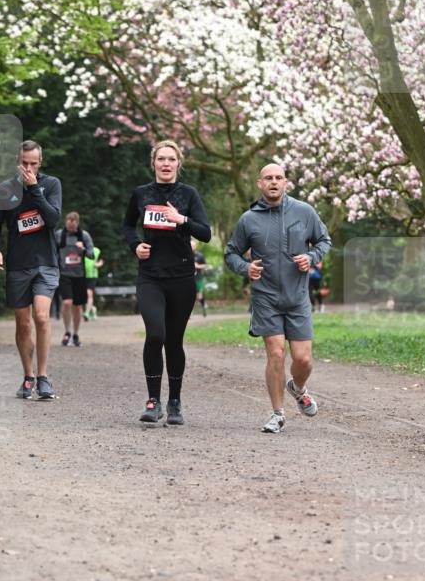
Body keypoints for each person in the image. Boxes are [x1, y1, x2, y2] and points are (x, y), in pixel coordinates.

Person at [224, 163, 331, 433]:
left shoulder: (304, 212)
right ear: (260, 184)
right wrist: (245, 268)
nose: (273, 182)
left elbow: (323, 241)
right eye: (268, 178)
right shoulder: (248, 219)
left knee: (303, 359)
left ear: (286, 183)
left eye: (279, 178)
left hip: (297, 297)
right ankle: (278, 413)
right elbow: (231, 253)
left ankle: (298, 387)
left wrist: (310, 257)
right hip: (265, 297)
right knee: (275, 353)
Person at [122, 139, 211, 425]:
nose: (166, 164)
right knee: (155, 334)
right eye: (161, 159)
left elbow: (205, 232)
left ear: (178, 163)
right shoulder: (141, 194)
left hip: (182, 276)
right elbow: (127, 225)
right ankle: (152, 401)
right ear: (154, 163)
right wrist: (135, 244)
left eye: (171, 159)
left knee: (174, 341)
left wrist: (181, 218)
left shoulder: (189, 194)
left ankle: (174, 401)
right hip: (150, 276)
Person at [0, 140, 61, 400]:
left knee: (41, 316)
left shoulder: (51, 185)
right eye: (24, 163)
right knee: (23, 323)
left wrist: (33, 189)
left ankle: (43, 378)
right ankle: (28, 376)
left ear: (40, 162)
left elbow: (52, 219)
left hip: (46, 263)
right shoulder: (4, 189)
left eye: (33, 163)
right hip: (18, 264)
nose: (28, 168)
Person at [56, 211, 95, 346]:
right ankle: (67, 332)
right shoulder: (59, 235)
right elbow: (52, 251)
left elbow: (92, 255)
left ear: (77, 223)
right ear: (66, 222)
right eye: (69, 226)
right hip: (64, 274)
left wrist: (83, 249)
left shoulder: (84, 236)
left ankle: (76, 334)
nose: (71, 229)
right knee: (67, 303)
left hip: (79, 275)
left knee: (78, 308)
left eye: (73, 227)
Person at [83, 241, 104, 321]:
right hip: (82, 275)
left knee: (89, 293)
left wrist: (97, 264)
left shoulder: (97, 250)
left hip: (92, 275)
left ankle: (86, 313)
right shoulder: (82, 250)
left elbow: (101, 261)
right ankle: (93, 309)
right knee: (84, 295)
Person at [191, 238, 208, 317]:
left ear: (196, 246)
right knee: (189, 296)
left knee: (199, 296)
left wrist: (197, 266)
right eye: (190, 245)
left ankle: (203, 305)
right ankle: (189, 312)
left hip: (198, 278)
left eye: (193, 245)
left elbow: (205, 266)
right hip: (189, 279)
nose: (192, 247)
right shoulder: (186, 254)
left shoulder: (200, 255)